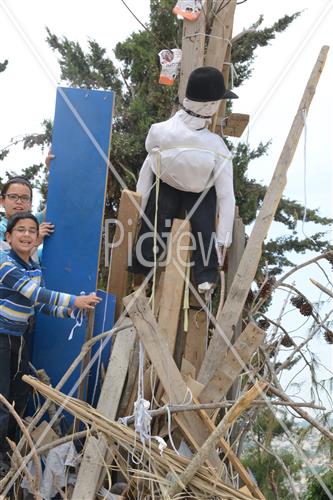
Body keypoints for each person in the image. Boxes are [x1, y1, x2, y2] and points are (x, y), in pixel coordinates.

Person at [0, 212, 101, 476]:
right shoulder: (4, 263)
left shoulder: (34, 268)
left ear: (37, 238)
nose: (26, 235)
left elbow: (38, 305)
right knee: (1, 398)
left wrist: (70, 312)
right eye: (20, 230)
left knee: (17, 394)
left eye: (32, 230)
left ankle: (8, 448)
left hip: (18, 336)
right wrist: (72, 300)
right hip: (0, 336)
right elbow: (34, 293)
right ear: (8, 237)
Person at [130, 66, 237, 294]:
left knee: (198, 222)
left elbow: (148, 164)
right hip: (172, 185)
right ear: (209, 105)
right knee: (168, 217)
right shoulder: (214, 146)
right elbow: (227, 196)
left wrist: (223, 239)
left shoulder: (161, 132)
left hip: (193, 188)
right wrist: (222, 241)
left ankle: (145, 262)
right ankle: (147, 268)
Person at [0, 176, 54, 255]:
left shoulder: (34, 222)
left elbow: (54, 205)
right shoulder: (1, 229)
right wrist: (35, 242)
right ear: (2, 201)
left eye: (24, 198)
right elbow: (5, 262)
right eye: (13, 197)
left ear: (30, 203)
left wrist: (53, 167)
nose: (19, 201)